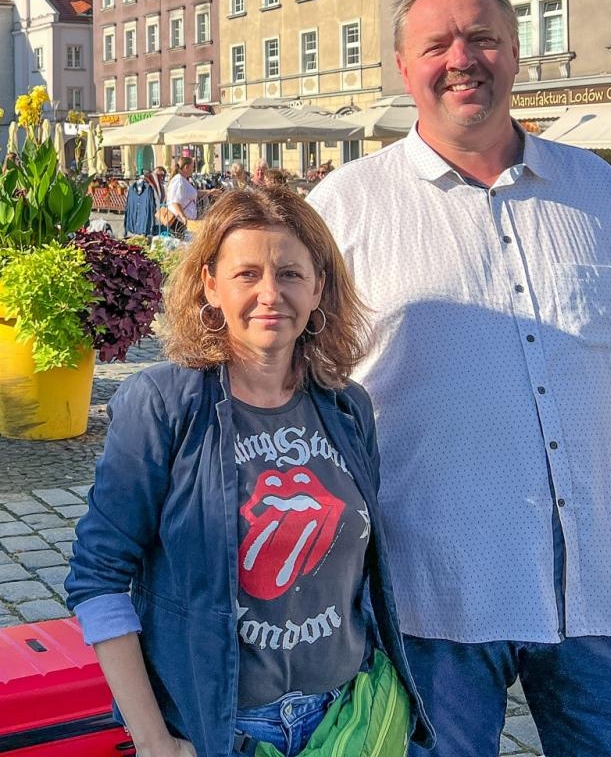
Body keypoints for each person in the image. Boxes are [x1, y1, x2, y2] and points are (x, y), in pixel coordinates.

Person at [307, 0, 611, 757]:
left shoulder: (599, 191)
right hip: (431, 593)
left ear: (516, 53)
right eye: (438, 44)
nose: (462, 59)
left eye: (482, 38)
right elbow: (293, 390)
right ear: (404, 67)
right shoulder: (345, 207)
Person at [67, 188, 432, 757]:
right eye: (247, 274)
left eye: (290, 274)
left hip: (346, 718)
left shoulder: (346, 408)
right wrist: (153, 740)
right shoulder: (164, 404)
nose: (270, 293)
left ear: (318, 288)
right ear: (211, 285)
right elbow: (98, 578)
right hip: (226, 729)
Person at [165, 156, 200, 225]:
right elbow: (175, 201)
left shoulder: (182, 180)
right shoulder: (179, 180)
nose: (193, 170)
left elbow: (192, 193)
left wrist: (210, 192)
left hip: (183, 220)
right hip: (180, 221)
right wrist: (183, 217)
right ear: (186, 167)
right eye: (192, 167)